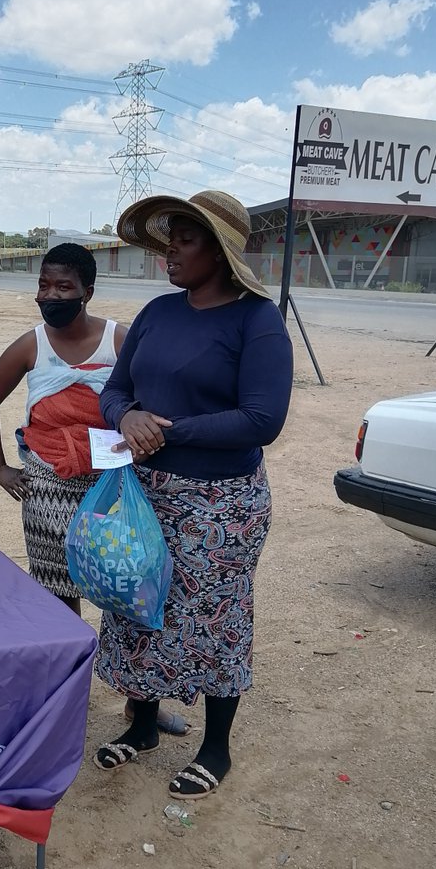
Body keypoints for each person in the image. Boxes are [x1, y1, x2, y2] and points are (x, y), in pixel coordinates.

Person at [91, 190, 294, 800]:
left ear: (221, 252)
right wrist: (127, 417)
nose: (170, 251)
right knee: (136, 601)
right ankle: (145, 725)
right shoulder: (157, 312)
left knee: (216, 617)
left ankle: (216, 747)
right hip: (143, 489)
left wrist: (168, 431)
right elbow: (114, 390)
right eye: (170, 237)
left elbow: (263, 419)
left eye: (185, 238)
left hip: (221, 502)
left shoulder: (257, 320)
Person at [0, 244, 133, 614]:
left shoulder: (118, 341)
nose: (50, 295)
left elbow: (145, 404)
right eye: (44, 285)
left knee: (119, 580)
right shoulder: (33, 345)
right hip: (46, 487)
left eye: (63, 287)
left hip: (108, 483)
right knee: (55, 591)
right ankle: (71, 664)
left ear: (87, 293)